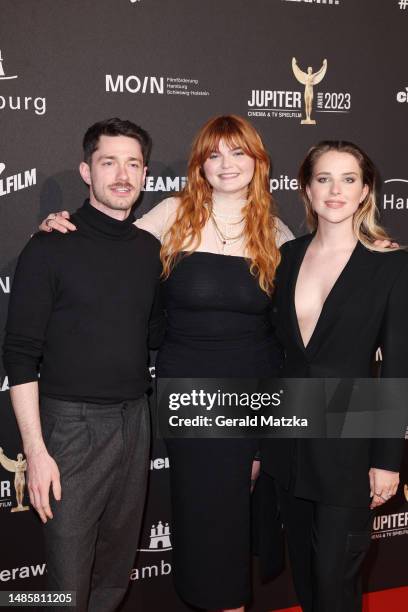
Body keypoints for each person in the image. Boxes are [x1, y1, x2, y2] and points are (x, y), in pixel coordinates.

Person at [39, 114, 295, 612]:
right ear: (199, 164)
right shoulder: (172, 215)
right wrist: (57, 228)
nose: (226, 164)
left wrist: (374, 254)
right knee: (208, 517)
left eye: (238, 153)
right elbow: (106, 246)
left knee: (240, 519)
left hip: (257, 395)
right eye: (213, 154)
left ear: (258, 162)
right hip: (192, 392)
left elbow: (299, 317)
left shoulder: (275, 230)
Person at [3, 118, 164, 612]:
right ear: (85, 171)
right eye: (108, 162)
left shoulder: (149, 249)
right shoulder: (49, 245)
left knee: (115, 573)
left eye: (132, 163)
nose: (122, 175)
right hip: (69, 430)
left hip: (135, 421)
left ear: (145, 174)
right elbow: (19, 356)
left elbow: (156, 334)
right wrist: (36, 450)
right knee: (67, 585)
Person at [261, 140, 408, 612]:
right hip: (289, 442)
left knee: (335, 578)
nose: (335, 190)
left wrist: (387, 458)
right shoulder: (285, 256)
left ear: (365, 191)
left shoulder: (390, 264)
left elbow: (399, 366)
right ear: (306, 189)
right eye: (323, 178)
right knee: (304, 575)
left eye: (349, 179)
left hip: (349, 445)